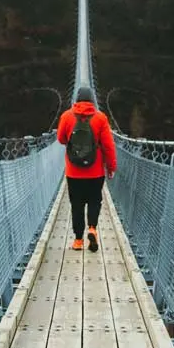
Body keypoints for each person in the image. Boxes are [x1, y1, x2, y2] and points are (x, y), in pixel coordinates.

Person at [56, 86, 117, 252]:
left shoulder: (67, 116)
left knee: (76, 205)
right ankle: (92, 228)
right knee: (94, 201)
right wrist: (111, 167)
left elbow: (61, 139)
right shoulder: (100, 118)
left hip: (73, 172)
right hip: (96, 172)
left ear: (76, 99)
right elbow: (109, 146)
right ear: (92, 100)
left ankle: (77, 240)